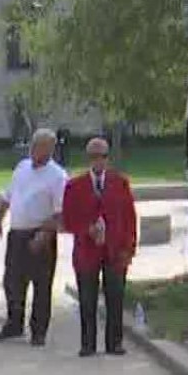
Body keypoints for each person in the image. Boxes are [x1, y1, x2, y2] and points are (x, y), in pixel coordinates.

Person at [62, 136, 139, 357]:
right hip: (87, 252)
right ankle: (88, 344)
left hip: (115, 251)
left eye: (102, 156)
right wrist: (87, 230)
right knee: (87, 299)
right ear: (88, 158)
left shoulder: (120, 183)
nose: (98, 161)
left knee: (115, 297)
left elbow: (129, 219)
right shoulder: (74, 186)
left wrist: (129, 249)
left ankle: (114, 343)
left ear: (108, 158)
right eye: (94, 156)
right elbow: (68, 220)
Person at [0, 129, 67, 346]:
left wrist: (43, 235)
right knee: (12, 282)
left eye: (38, 146)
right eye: (32, 145)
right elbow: (7, 196)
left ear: (50, 149)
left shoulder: (57, 176)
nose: (33, 150)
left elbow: (59, 213)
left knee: (41, 284)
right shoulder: (22, 168)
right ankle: (14, 324)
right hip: (17, 233)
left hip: (40, 235)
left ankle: (38, 331)